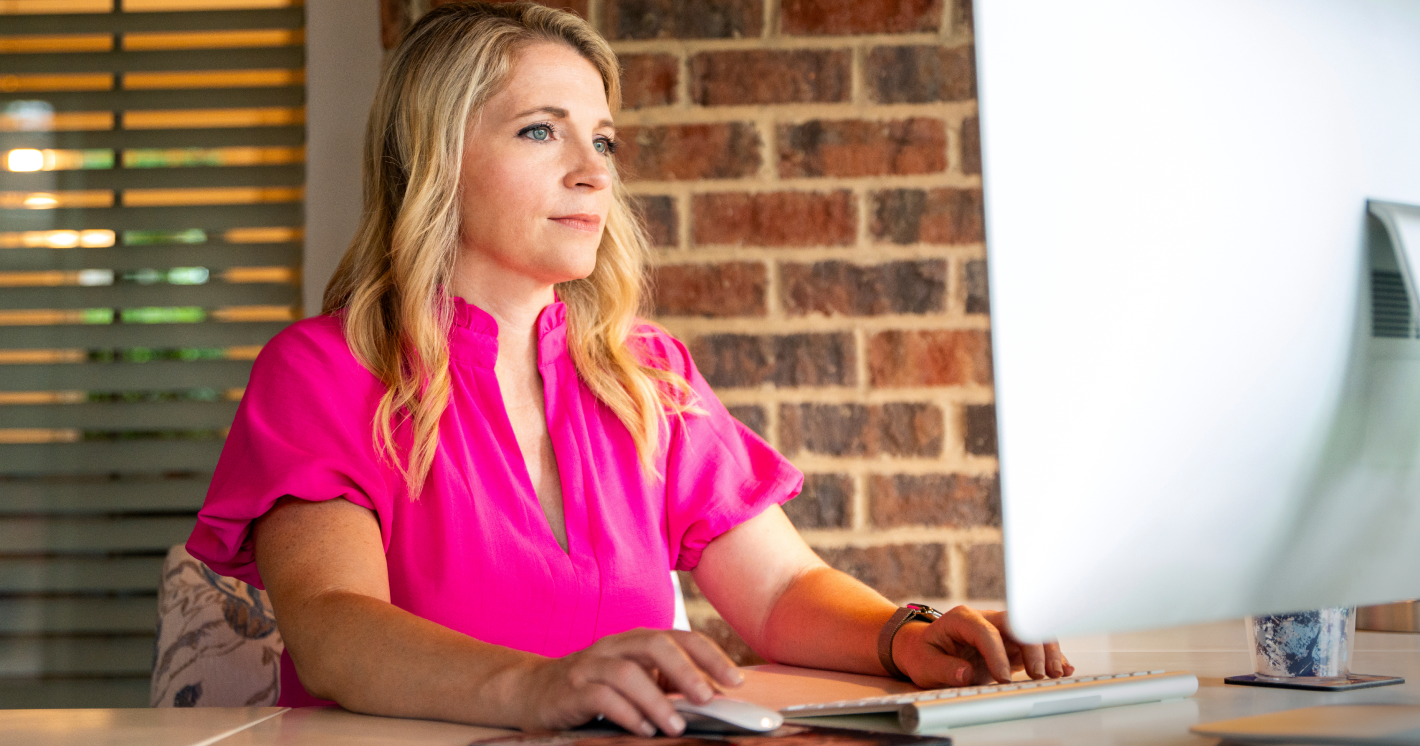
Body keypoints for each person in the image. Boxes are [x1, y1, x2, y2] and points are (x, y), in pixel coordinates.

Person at [186, 1, 1072, 735]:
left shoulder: (644, 372)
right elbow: (334, 630)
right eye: (542, 131)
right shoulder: (321, 371)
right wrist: (537, 689)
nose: (591, 174)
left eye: (603, 142)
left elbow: (780, 591)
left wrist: (901, 634)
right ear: (433, 160)